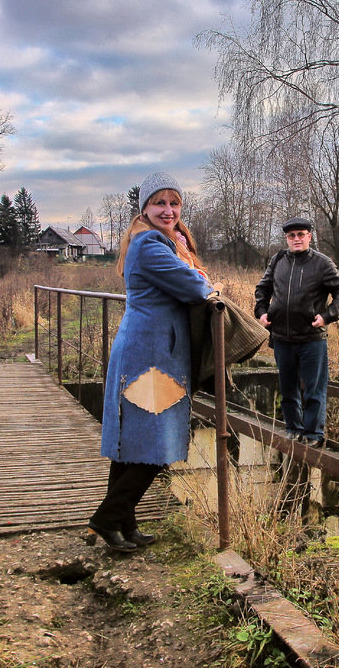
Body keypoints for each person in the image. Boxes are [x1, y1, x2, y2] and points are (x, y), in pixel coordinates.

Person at [90, 172, 215, 552]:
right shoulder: (150, 246)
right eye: (159, 203)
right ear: (144, 208)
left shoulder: (157, 242)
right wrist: (204, 279)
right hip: (150, 356)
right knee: (155, 445)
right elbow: (196, 287)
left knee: (132, 443)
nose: (168, 210)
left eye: (174, 203)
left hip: (150, 350)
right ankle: (107, 519)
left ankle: (123, 525)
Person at [254, 216, 339, 447]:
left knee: (314, 390)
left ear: (309, 236)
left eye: (301, 234)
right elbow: (263, 288)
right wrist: (261, 311)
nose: (296, 239)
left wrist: (327, 316)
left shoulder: (322, 263)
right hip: (282, 337)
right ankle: (293, 428)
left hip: (311, 338)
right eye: (291, 235)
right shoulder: (278, 261)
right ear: (287, 238)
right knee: (288, 388)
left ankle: (313, 434)